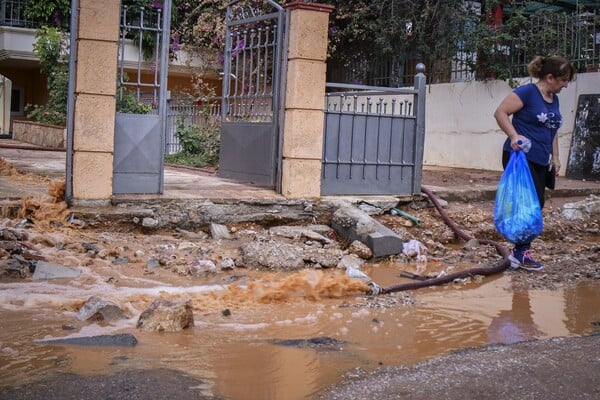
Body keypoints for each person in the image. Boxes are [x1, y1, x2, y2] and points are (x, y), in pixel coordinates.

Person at [493, 55, 575, 271]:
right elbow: (500, 112)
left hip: (540, 158)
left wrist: (555, 156)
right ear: (550, 77)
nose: (565, 85)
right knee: (528, 204)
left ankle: (519, 249)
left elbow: (552, 129)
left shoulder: (553, 99)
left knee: (536, 203)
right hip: (520, 157)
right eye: (563, 80)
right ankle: (521, 252)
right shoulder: (527, 93)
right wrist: (513, 136)